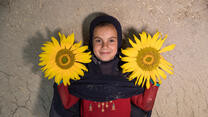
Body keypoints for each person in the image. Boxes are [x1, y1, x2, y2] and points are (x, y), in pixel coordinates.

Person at [49, 14, 159, 117]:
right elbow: (67, 103)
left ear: (119, 41)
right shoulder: (81, 71)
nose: (104, 46)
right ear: (91, 43)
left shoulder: (127, 72)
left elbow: (145, 105)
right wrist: (61, 75)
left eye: (111, 40)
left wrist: (152, 80)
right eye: (98, 40)